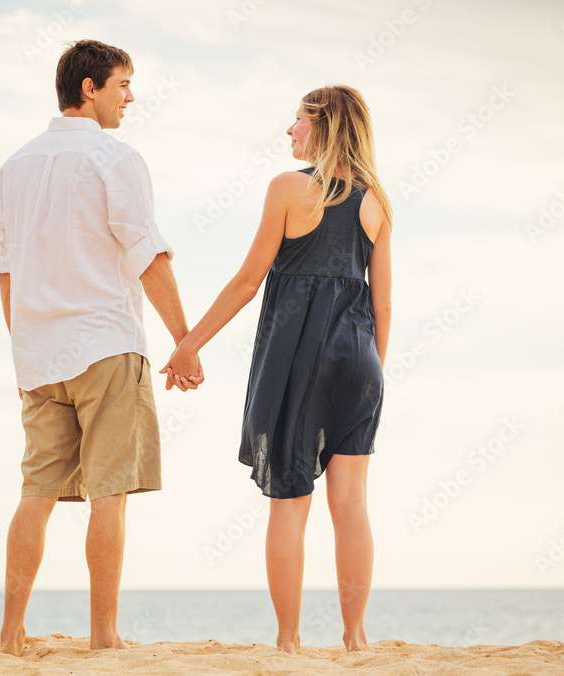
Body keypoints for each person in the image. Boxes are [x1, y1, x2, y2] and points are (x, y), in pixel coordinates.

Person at [163, 85, 393, 654]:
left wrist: (189, 343)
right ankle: (356, 638)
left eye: (296, 121)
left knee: (289, 502)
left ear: (323, 127)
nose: (289, 131)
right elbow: (383, 304)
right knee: (352, 504)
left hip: (297, 359)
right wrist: (370, 375)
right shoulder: (376, 202)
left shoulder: (290, 189)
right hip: (360, 358)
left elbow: (247, 281)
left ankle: (289, 642)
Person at [0, 39, 203, 656]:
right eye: (122, 85)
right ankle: (104, 637)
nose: (130, 98)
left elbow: (7, 270)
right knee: (107, 494)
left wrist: (25, 344)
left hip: (38, 356)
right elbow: (147, 253)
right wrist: (185, 341)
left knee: (36, 493)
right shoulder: (116, 159)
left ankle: (9, 637)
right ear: (90, 89)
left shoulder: (13, 167)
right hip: (106, 345)